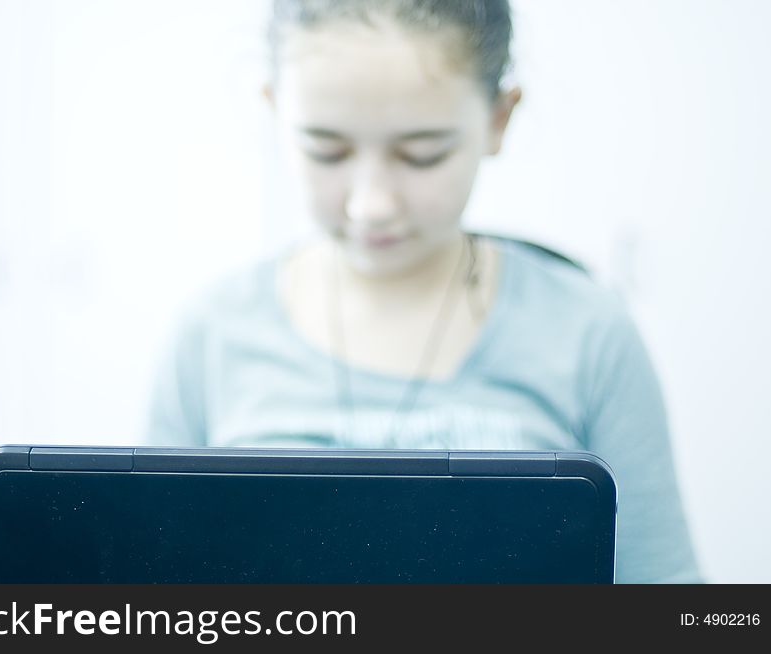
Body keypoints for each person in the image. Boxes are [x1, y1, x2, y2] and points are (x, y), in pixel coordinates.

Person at [147, 0, 703, 583]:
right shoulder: (211, 333)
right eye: (326, 150)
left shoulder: (588, 333)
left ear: (498, 120)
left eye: (422, 155)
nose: (371, 204)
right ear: (274, 112)